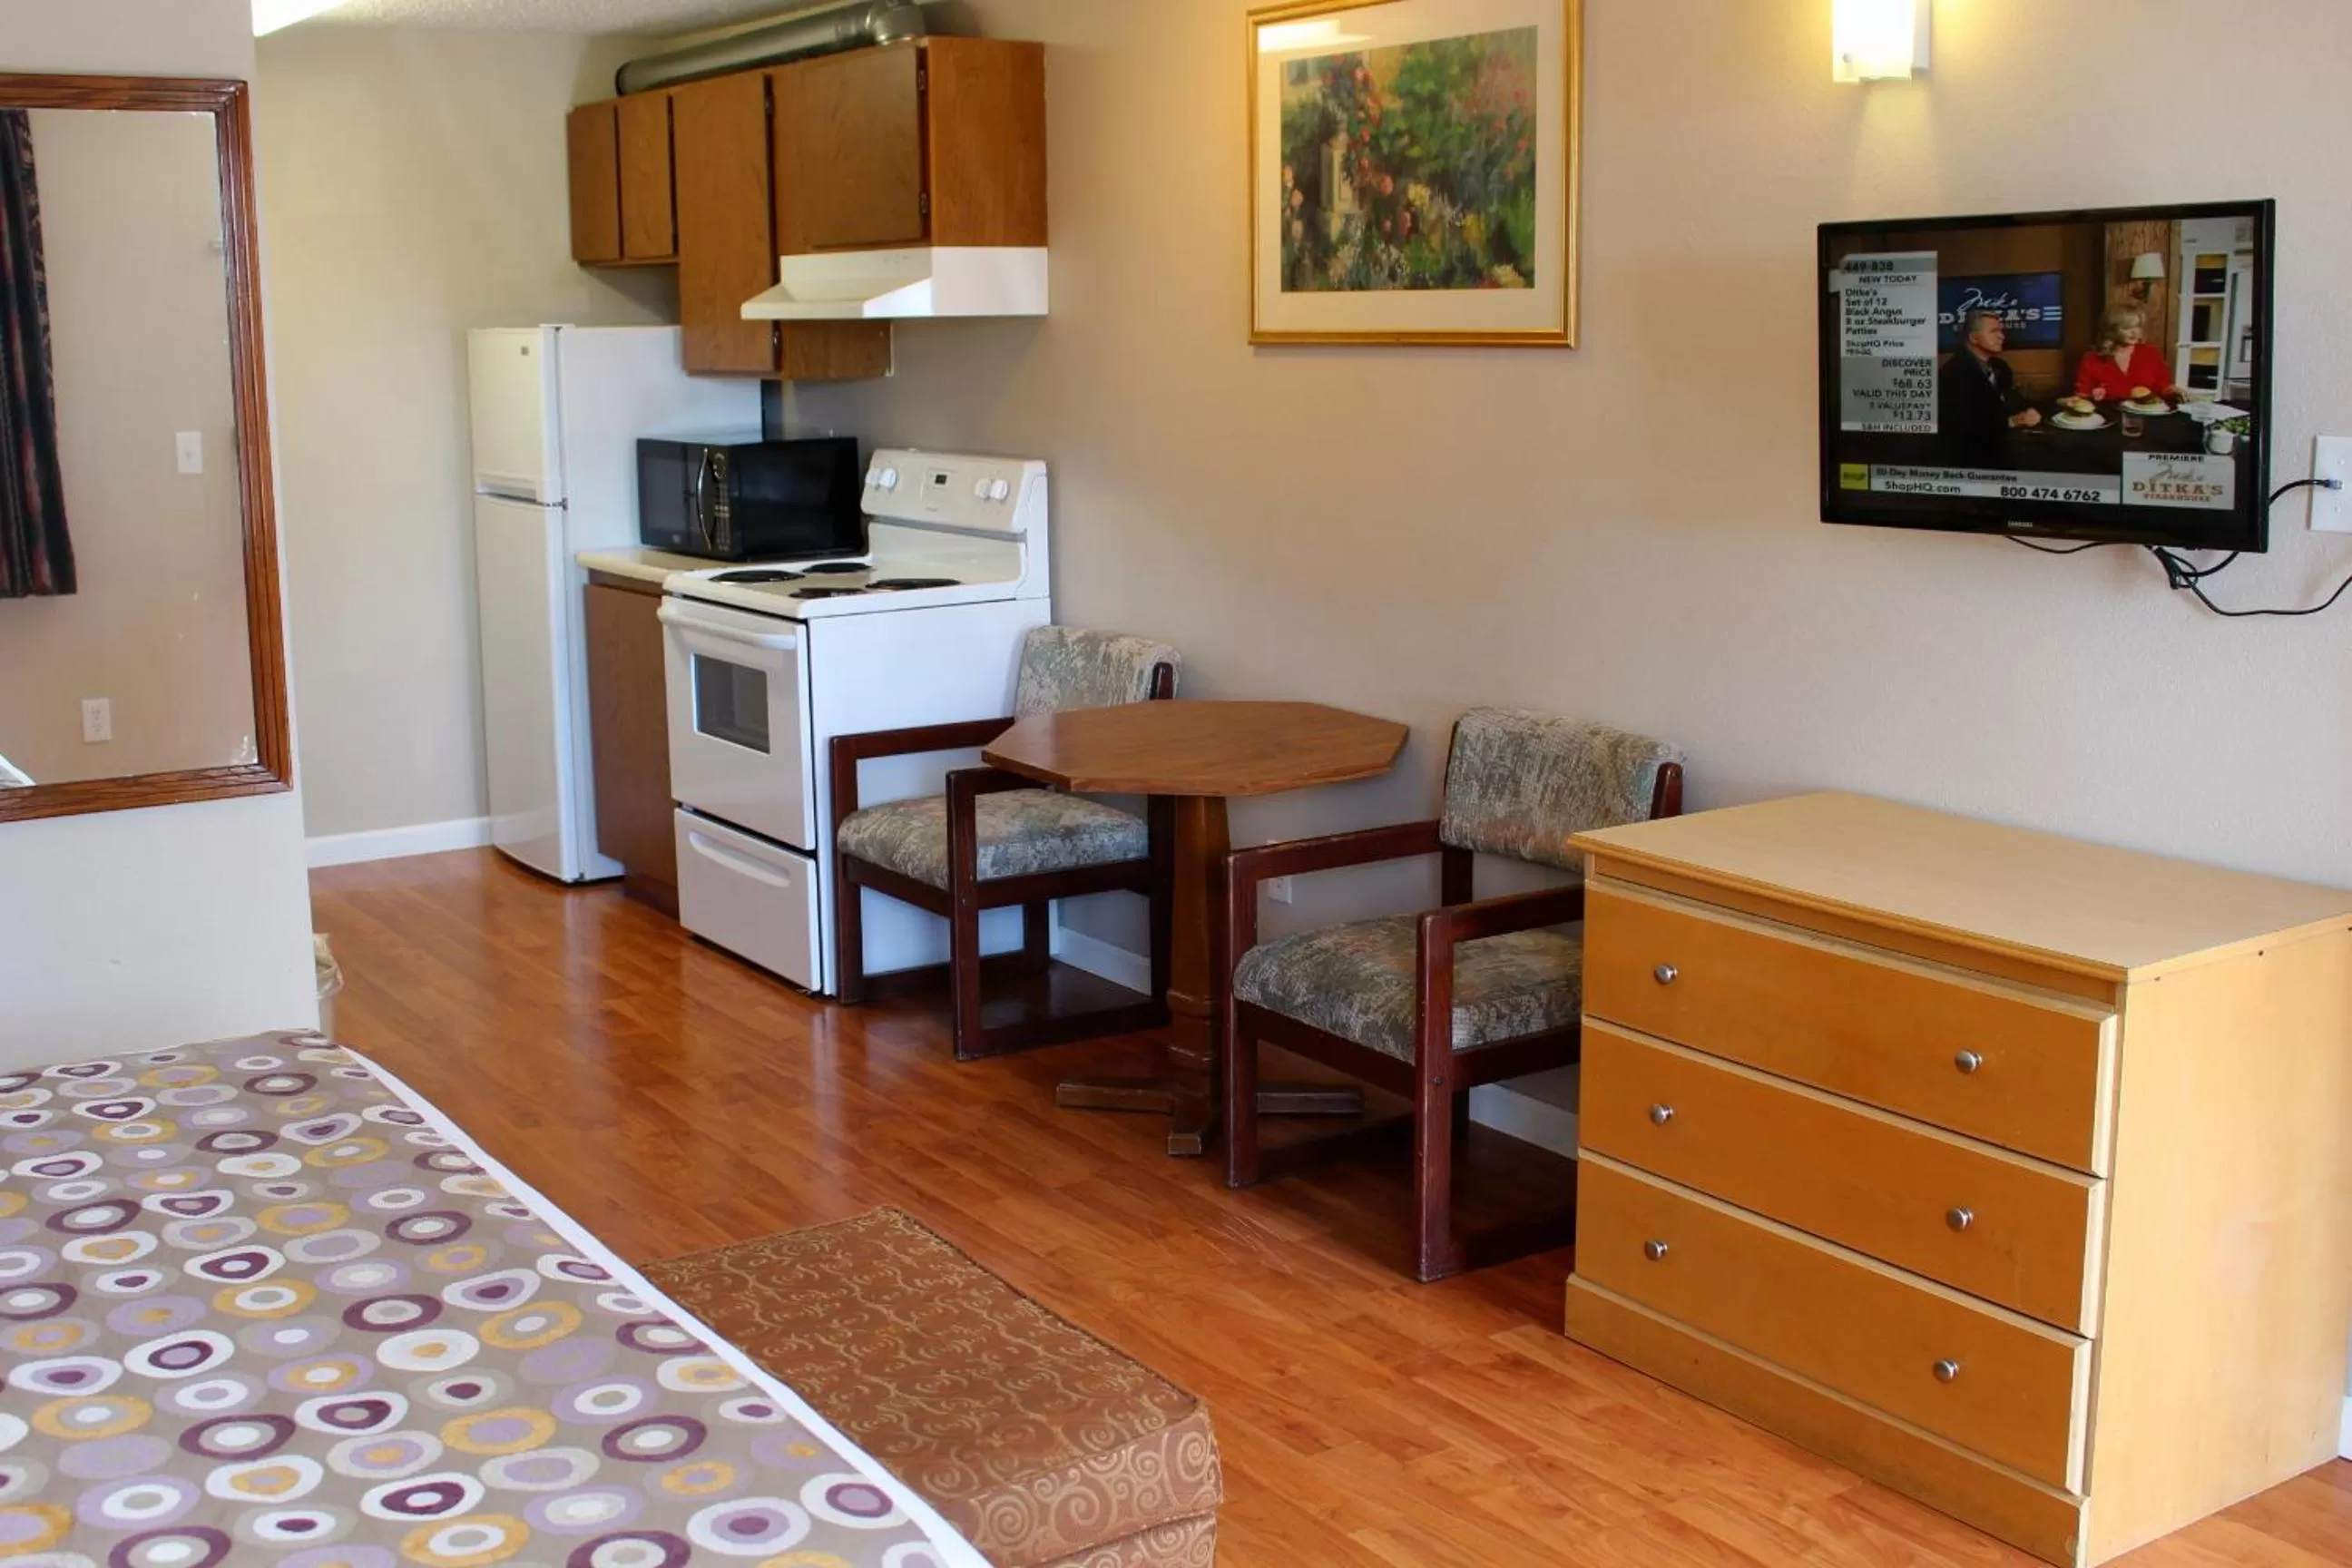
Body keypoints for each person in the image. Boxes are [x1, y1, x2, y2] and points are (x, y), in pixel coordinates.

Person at [1938, 309, 2041, 466]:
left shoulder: (2001, 367)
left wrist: (2030, 409)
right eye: (1994, 331)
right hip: (1970, 461)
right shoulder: (1952, 373)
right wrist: (2012, 422)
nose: (2002, 336)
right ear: (1974, 338)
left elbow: (2014, 399)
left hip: (2004, 450)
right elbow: (1961, 428)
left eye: (2000, 331)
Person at [2075, 306, 2180, 404]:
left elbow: (2163, 387)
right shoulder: (2092, 358)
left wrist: (2174, 391)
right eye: (2127, 328)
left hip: (2146, 416)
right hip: (2110, 417)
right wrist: (2093, 395)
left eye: (2138, 327)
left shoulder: (2151, 354)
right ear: (2112, 329)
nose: (2135, 332)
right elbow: (2082, 394)